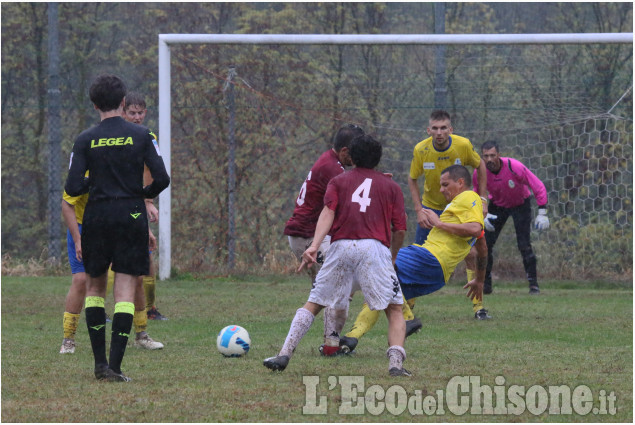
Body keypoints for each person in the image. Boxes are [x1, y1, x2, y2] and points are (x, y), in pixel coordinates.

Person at [264, 134, 411, 376]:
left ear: (351, 157)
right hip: (374, 248)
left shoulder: (339, 182)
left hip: (341, 246)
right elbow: (400, 229)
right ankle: (395, 366)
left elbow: (328, 212)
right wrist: (392, 256)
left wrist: (315, 244)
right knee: (394, 309)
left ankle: (284, 354)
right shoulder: (391, 187)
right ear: (378, 159)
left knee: (314, 303)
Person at [343, 110, 490, 344]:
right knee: (387, 291)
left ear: (460, 183)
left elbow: (473, 228)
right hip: (438, 274)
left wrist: (443, 221)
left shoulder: (468, 198)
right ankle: (351, 339)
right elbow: (481, 245)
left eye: (445, 185)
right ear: (428, 130)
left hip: (429, 258)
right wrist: (480, 279)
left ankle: (407, 316)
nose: (441, 190)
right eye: (435, 128)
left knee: (380, 262)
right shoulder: (423, 153)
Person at [64, 74, 170, 382]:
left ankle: (99, 365)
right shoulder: (142, 135)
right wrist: (140, 194)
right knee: (125, 289)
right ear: (123, 103)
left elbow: (72, 185)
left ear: (94, 104)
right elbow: (161, 178)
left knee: (95, 289)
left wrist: (95, 183)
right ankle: (116, 367)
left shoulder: (84, 139)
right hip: (130, 215)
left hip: (96, 216)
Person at [472, 140, 549, 295]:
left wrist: (542, 212)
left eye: (492, 155)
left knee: (524, 245)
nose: (489, 159)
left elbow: (538, 185)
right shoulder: (479, 172)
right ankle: (485, 285)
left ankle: (533, 285)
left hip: (521, 204)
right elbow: (475, 194)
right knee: (485, 244)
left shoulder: (514, 167)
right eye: (485, 156)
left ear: (499, 155)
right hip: (497, 206)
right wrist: (481, 215)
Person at [122, 91, 168, 321]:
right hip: (117, 201)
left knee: (146, 254)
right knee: (115, 259)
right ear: (123, 111)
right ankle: (112, 310)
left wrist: (148, 201)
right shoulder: (117, 134)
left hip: (135, 201)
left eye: (140, 113)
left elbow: (151, 171)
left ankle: (150, 308)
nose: (137, 117)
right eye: (132, 113)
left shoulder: (147, 136)